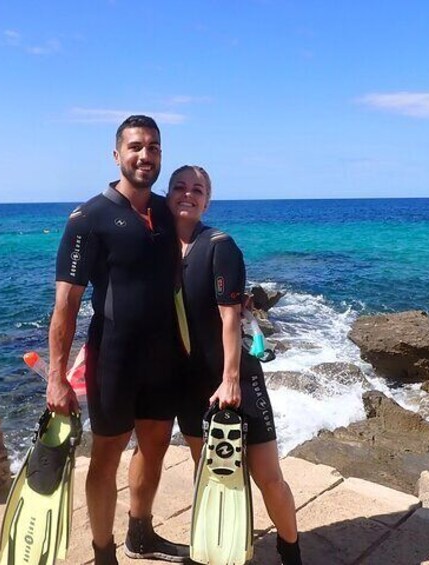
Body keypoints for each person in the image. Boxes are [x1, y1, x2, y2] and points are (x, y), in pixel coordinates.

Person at [48, 115, 188, 564]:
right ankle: (103, 551)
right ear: (117, 155)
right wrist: (57, 375)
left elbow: (196, 264)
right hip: (113, 359)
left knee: (155, 446)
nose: (145, 156)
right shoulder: (89, 219)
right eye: (136, 147)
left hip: (162, 359)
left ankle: (141, 533)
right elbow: (66, 305)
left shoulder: (167, 212)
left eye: (153, 147)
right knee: (106, 456)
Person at [168, 165, 303, 565]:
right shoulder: (159, 249)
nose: (187, 195)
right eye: (180, 187)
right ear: (168, 195)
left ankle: (290, 550)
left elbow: (230, 318)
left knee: (267, 477)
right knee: (208, 474)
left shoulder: (220, 246)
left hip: (235, 377)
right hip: (190, 383)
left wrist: (230, 381)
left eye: (197, 189)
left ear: (207, 200)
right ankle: (221, 545)